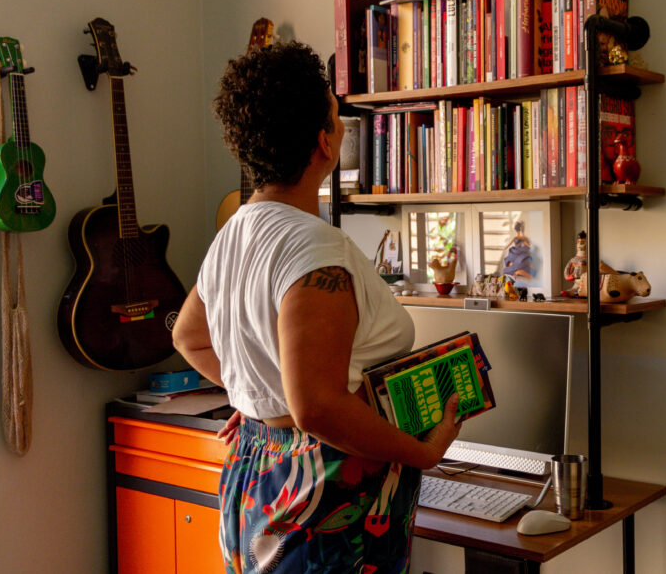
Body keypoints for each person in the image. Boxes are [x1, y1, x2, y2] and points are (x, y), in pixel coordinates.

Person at [172, 41, 461, 573]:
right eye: (335, 115)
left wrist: (259, 398)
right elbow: (317, 409)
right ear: (324, 142)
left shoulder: (233, 234)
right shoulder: (315, 247)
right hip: (324, 489)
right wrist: (422, 453)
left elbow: (189, 338)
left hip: (256, 469)